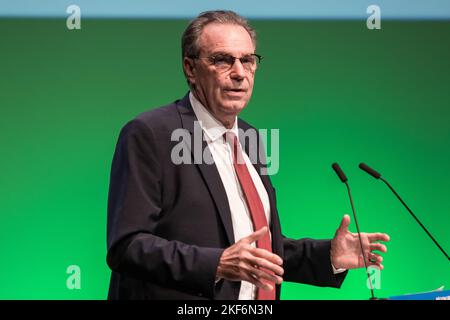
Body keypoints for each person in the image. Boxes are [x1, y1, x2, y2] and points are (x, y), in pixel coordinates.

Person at [106, 10, 390, 300]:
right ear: (190, 68)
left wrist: (327, 255)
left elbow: (260, 251)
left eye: (248, 60)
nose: (239, 72)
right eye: (222, 60)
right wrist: (216, 264)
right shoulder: (151, 134)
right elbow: (127, 246)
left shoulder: (250, 138)